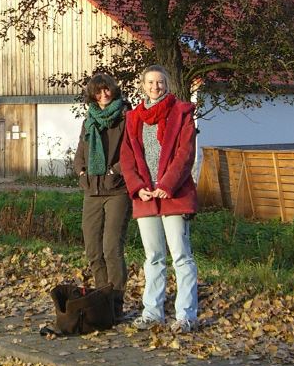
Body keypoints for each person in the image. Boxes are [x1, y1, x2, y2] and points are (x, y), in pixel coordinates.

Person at [120, 65, 200, 333]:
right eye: (151, 82)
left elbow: (185, 154)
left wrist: (167, 184)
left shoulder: (181, 113)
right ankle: (153, 313)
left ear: (167, 84)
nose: (156, 87)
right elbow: (127, 158)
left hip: (174, 194)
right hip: (145, 197)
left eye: (160, 82)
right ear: (143, 85)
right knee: (153, 257)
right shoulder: (133, 118)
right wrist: (137, 187)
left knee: (181, 256)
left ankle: (186, 316)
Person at [73, 72, 131, 318]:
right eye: (98, 91)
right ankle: (102, 301)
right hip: (92, 190)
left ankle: (115, 305)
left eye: (107, 89)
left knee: (111, 249)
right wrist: (81, 171)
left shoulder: (125, 117)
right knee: (93, 250)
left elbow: (131, 152)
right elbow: (80, 151)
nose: (103, 94)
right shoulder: (89, 120)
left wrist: (113, 171)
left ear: (113, 90)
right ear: (92, 95)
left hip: (116, 190)